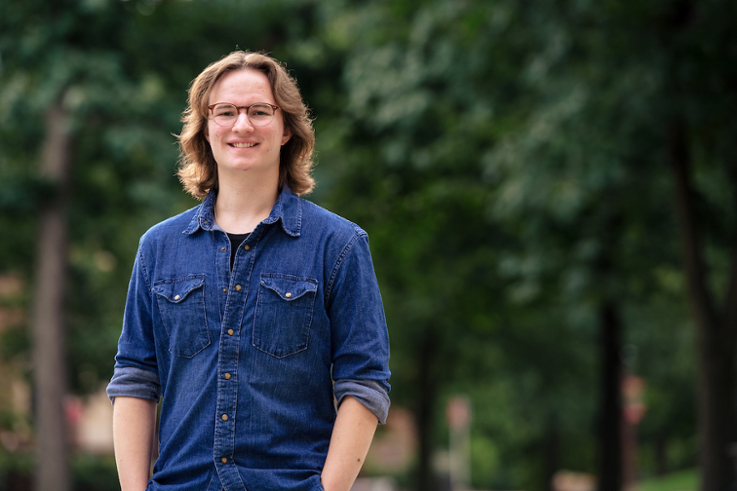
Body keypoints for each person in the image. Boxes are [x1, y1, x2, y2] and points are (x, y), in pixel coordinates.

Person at [106, 50, 391, 491]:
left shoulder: (339, 245)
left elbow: (365, 383)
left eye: (260, 111)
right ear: (205, 128)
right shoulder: (158, 248)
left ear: (286, 129)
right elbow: (135, 380)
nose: (242, 125)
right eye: (225, 112)